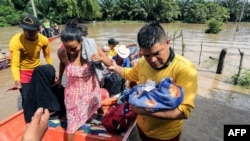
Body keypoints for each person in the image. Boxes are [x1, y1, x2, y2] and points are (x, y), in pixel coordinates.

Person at [108, 21, 198, 141]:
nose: (153, 60)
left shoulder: (185, 69)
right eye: (147, 55)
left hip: (166, 135)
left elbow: (183, 112)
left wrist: (144, 111)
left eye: (157, 53)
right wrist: (116, 68)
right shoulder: (142, 62)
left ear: (167, 43)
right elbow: (131, 74)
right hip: (142, 127)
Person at [57, 26, 112, 141]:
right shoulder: (62, 52)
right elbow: (62, 64)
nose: (70, 52)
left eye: (74, 48)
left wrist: (101, 59)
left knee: (97, 104)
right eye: (67, 48)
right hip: (73, 92)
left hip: (91, 88)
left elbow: (110, 63)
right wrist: (59, 79)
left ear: (81, 41)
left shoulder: (91, 48)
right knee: (72, 124)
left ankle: (102, 118)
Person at [8, 14, 53, 113]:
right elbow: (14, 64)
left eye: (31, 30)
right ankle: (29, 117)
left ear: (38, 29)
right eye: (25, 29)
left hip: (38, 70)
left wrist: (53, 71)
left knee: (41, 94)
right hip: (23, 72)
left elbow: (47, 57)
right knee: (27, 98)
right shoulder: (16, 41)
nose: (27, 32)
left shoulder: (44, 40)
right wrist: (17, 80)